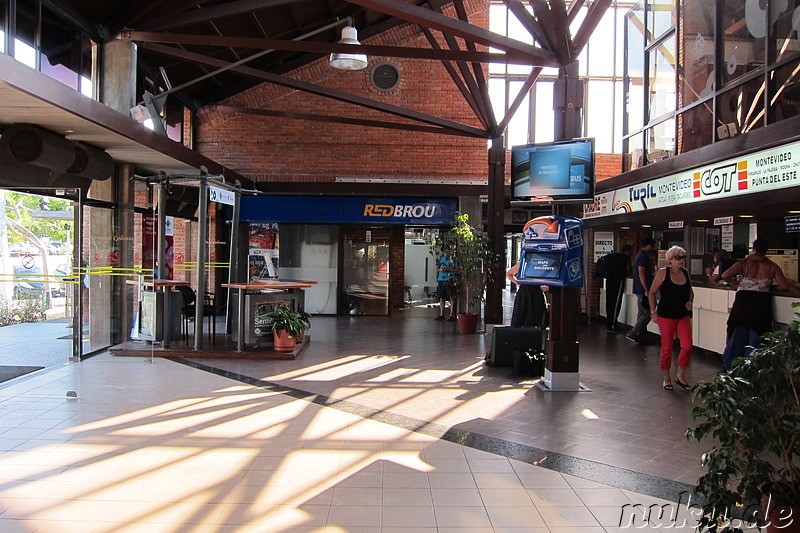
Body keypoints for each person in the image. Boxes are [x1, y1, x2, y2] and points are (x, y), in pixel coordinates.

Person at [720, 238, 790, 371]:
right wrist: (766, 287)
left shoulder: (743, 264)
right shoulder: (772, 266)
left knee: (736, 338)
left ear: (754, 249)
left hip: (742, 304)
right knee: (756, 339)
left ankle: (730, 368)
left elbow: (725, 275)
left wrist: (738, 284)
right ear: (766, 250)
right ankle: (752, 371)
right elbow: (785, 286)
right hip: (760, 305)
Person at [648, 246, 694, 391]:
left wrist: (690, 300)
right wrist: (653, 311)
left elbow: (690, 292)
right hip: (666, 315)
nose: (681, 260)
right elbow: (651, 293)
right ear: (670, 260)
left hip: (682, 314)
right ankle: (666, 377)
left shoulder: (685, 273)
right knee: (667, 347)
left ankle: (680, 375)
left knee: (687, 345)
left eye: (683, 257)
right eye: (677, 258)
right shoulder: (663, 273)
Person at [626, 237, 656, 344]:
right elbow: (642, 274)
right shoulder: (643, 257)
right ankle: (634, 332)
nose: (653, 248)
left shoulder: (639, 255)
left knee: (641, 312)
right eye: (652, 246)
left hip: (639, 288)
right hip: (643, 289)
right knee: (647, 313)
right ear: (647, 245)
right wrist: (647, 289)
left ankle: (641, 335)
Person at [602, 245, 633, 333]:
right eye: (631, 251)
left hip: (609, 281)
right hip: (618, 281)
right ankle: (612, 324)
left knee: (609, 302)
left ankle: (609, 322)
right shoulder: (626, 259)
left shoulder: (612, 256)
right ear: (627, 251)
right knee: (615, 303)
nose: (632, 253)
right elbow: (629, 270)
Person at [506, 262, 548, 327]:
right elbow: (509, 274)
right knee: (532, 316)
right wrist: (519, 284)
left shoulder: (524, 263)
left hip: (527, 291)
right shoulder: (541, 263)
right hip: (530, 291)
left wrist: (519, 284)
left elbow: (509, 274)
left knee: (524, 316)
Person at [435, 255, 458, 320]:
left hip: (450, 279)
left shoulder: (453, 258)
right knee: (441, 297)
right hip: (441, 279)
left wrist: (449, 270)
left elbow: (458, 268)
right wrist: (441, 270)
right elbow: (437, 268)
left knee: (451, 296)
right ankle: (441, 314)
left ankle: (451, 315)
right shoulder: (440, 258)